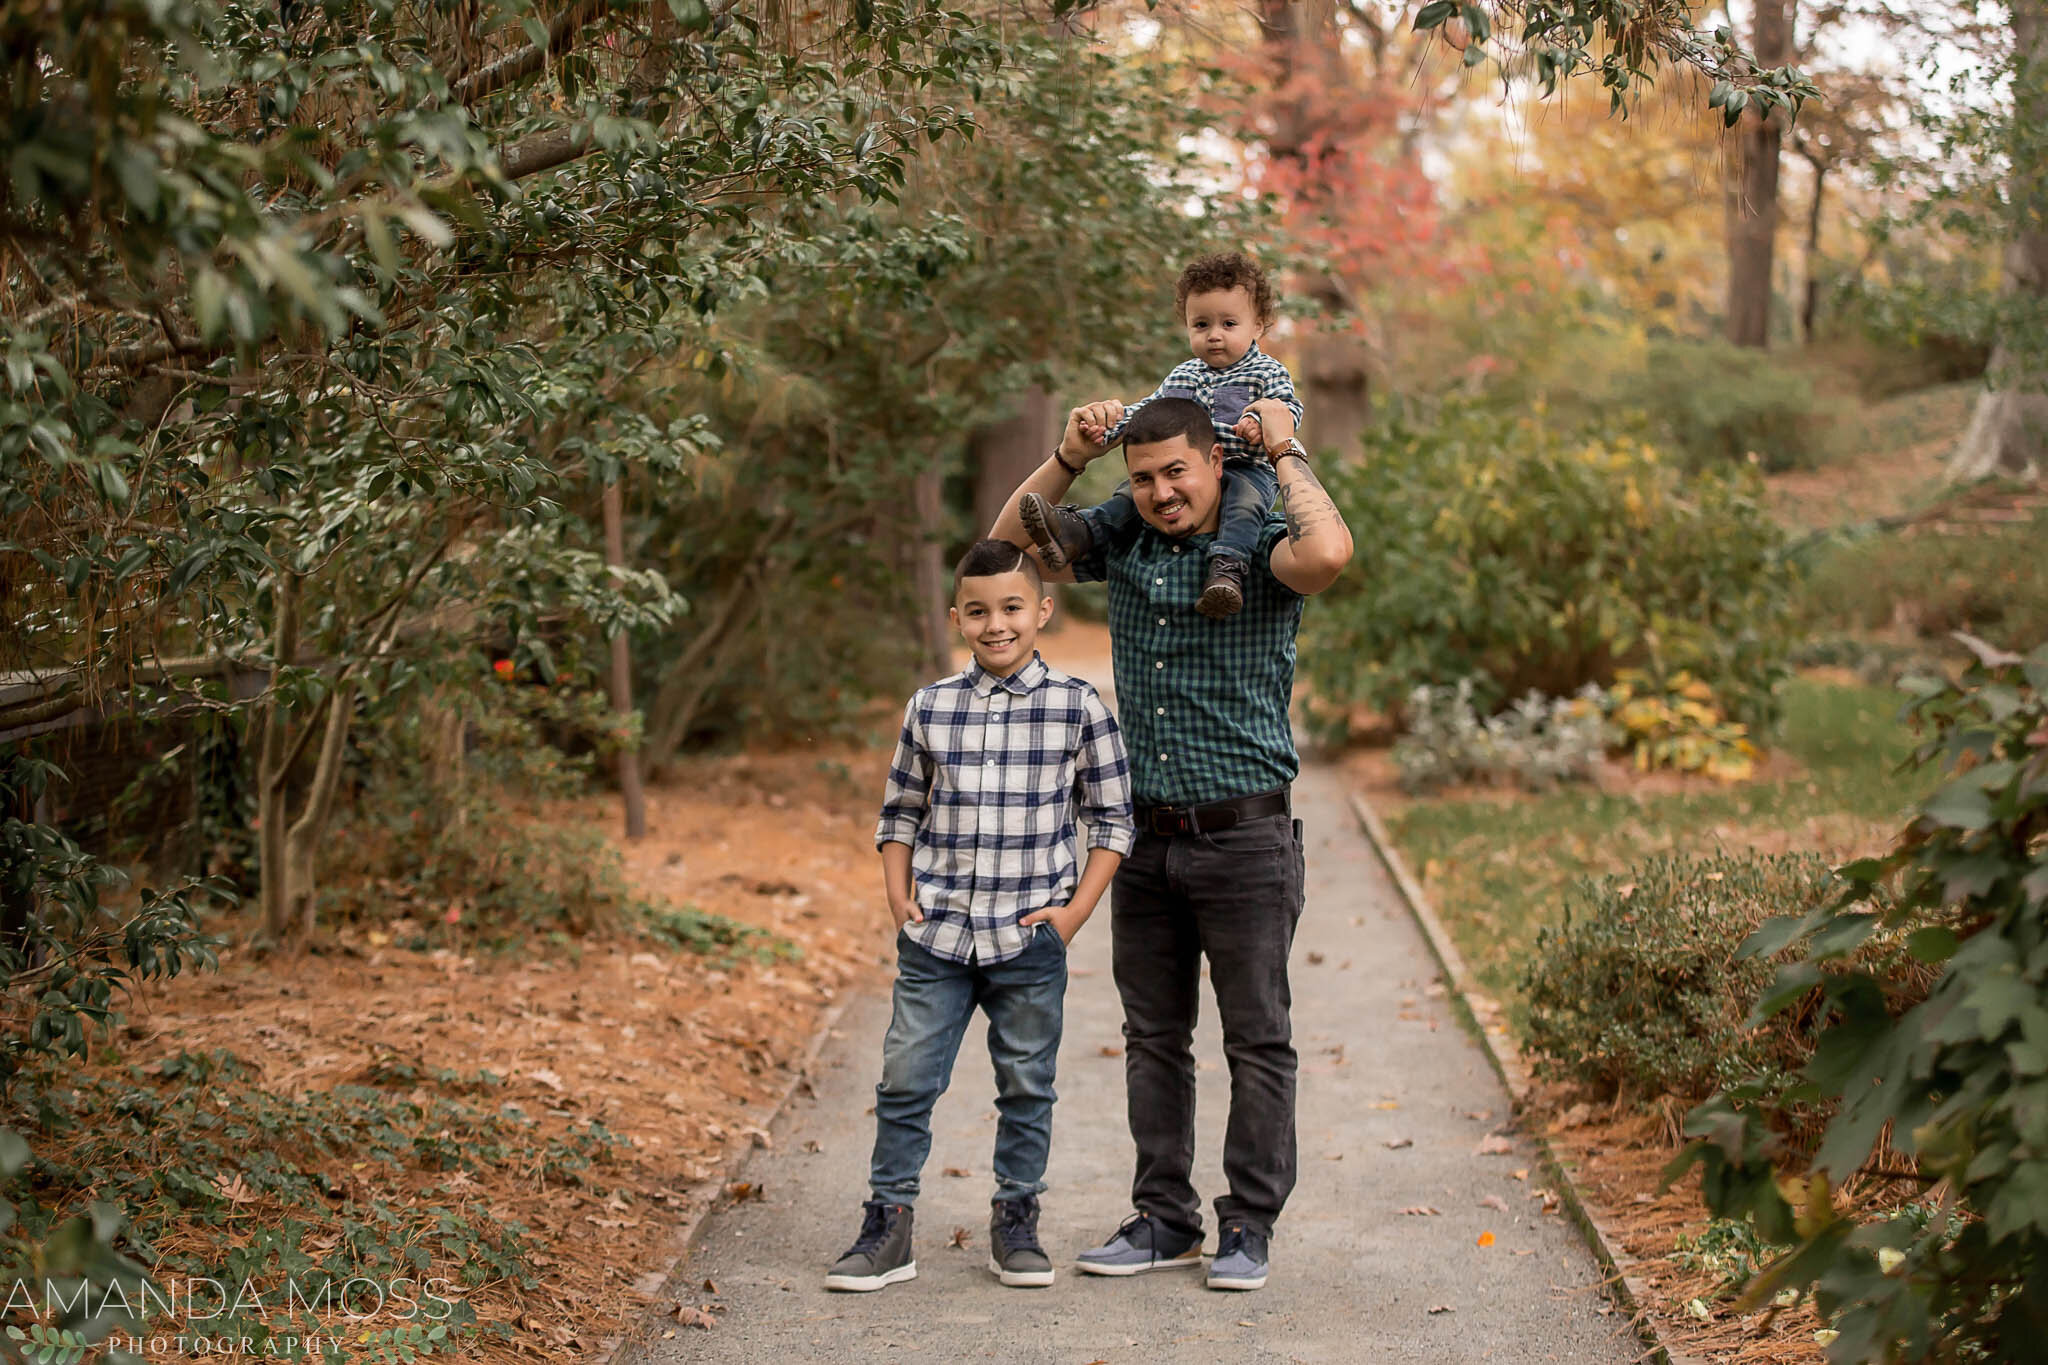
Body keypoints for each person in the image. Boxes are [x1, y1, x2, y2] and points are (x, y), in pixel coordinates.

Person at [992, 392, 1354, 1292]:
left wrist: (1284, 450)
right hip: (1144, 843)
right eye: (1144, 477)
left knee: (1257, 1038)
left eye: (1175, 472)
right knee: (1154, 1037)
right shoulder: (1129, 548)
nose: (1159, 492)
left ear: (1213, 466)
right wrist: (1071, 457)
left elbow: (1333, 551)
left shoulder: (1261, 551)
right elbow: (1005, 554)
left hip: (1247, 839)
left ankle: (1249, 1225)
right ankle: (1163, 1218)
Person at [824, 539, 1135, 1294]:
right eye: (978, 610)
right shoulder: (931, 706)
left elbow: (1114, 820)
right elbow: (899, 810)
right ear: (957, 615)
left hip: (1029, 938)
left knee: (1027, 1084)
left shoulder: (1078, 706)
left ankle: (1015, 1217)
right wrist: (900, 896)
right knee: (905, 1078)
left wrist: (1071, 916)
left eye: (1011, 608)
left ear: (1042, 611)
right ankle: (889, 1222)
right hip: (938, 936)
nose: (996, 624)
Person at [1016, 252, 1303, 621]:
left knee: (1244, 508)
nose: (1214, 335)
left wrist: (1262, 425)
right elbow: (1149, 410)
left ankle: (1226, 572)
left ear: (1258, 326)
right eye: (1201, 325)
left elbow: (1287, 410)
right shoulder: (1184, 375)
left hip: (1246, 467)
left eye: (1229, 323)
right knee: (1130, 495)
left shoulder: (1266, 371)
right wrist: (1110, 429)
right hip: (1190, 469)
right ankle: (1079, 532)